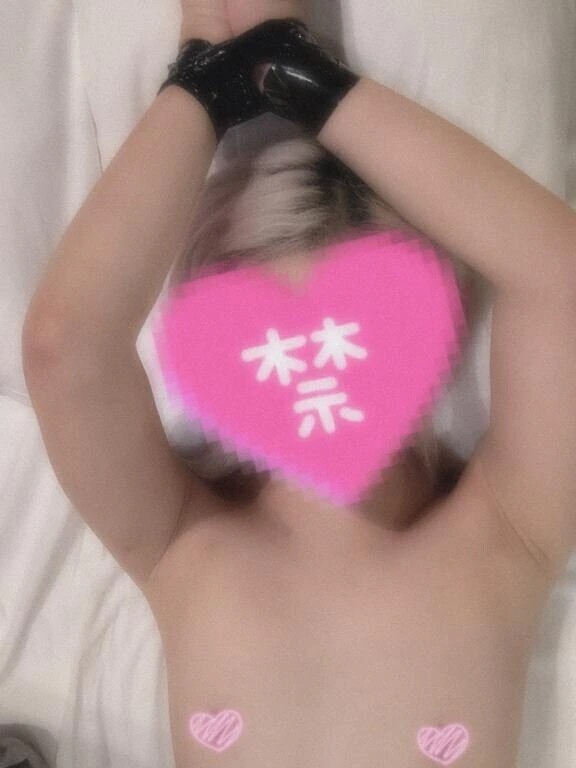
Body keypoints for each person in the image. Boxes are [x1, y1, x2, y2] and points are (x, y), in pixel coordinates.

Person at [21, 0, 576, 766]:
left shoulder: (508, 532)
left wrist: (248, 78)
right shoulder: (182, 541)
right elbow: (67, 348)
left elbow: (559, 275)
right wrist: (240, 75)